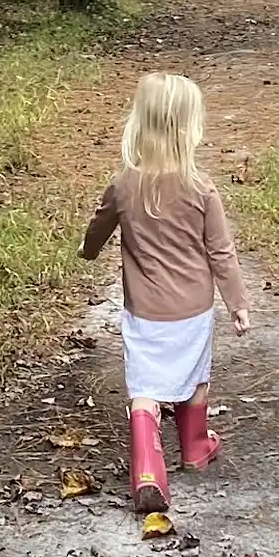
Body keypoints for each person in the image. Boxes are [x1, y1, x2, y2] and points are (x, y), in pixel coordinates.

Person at [81, 72, 252, 514]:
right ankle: (195, 448)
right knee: (195, 379)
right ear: (189, 128)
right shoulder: (201, 188)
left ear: (140, 124)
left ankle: (147, 472)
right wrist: (237, 303)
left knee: (145, 388)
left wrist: (87, 250)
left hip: (145, 312)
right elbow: (222, 252)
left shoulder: (124, 185)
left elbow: (98, 229)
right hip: (193, 309)